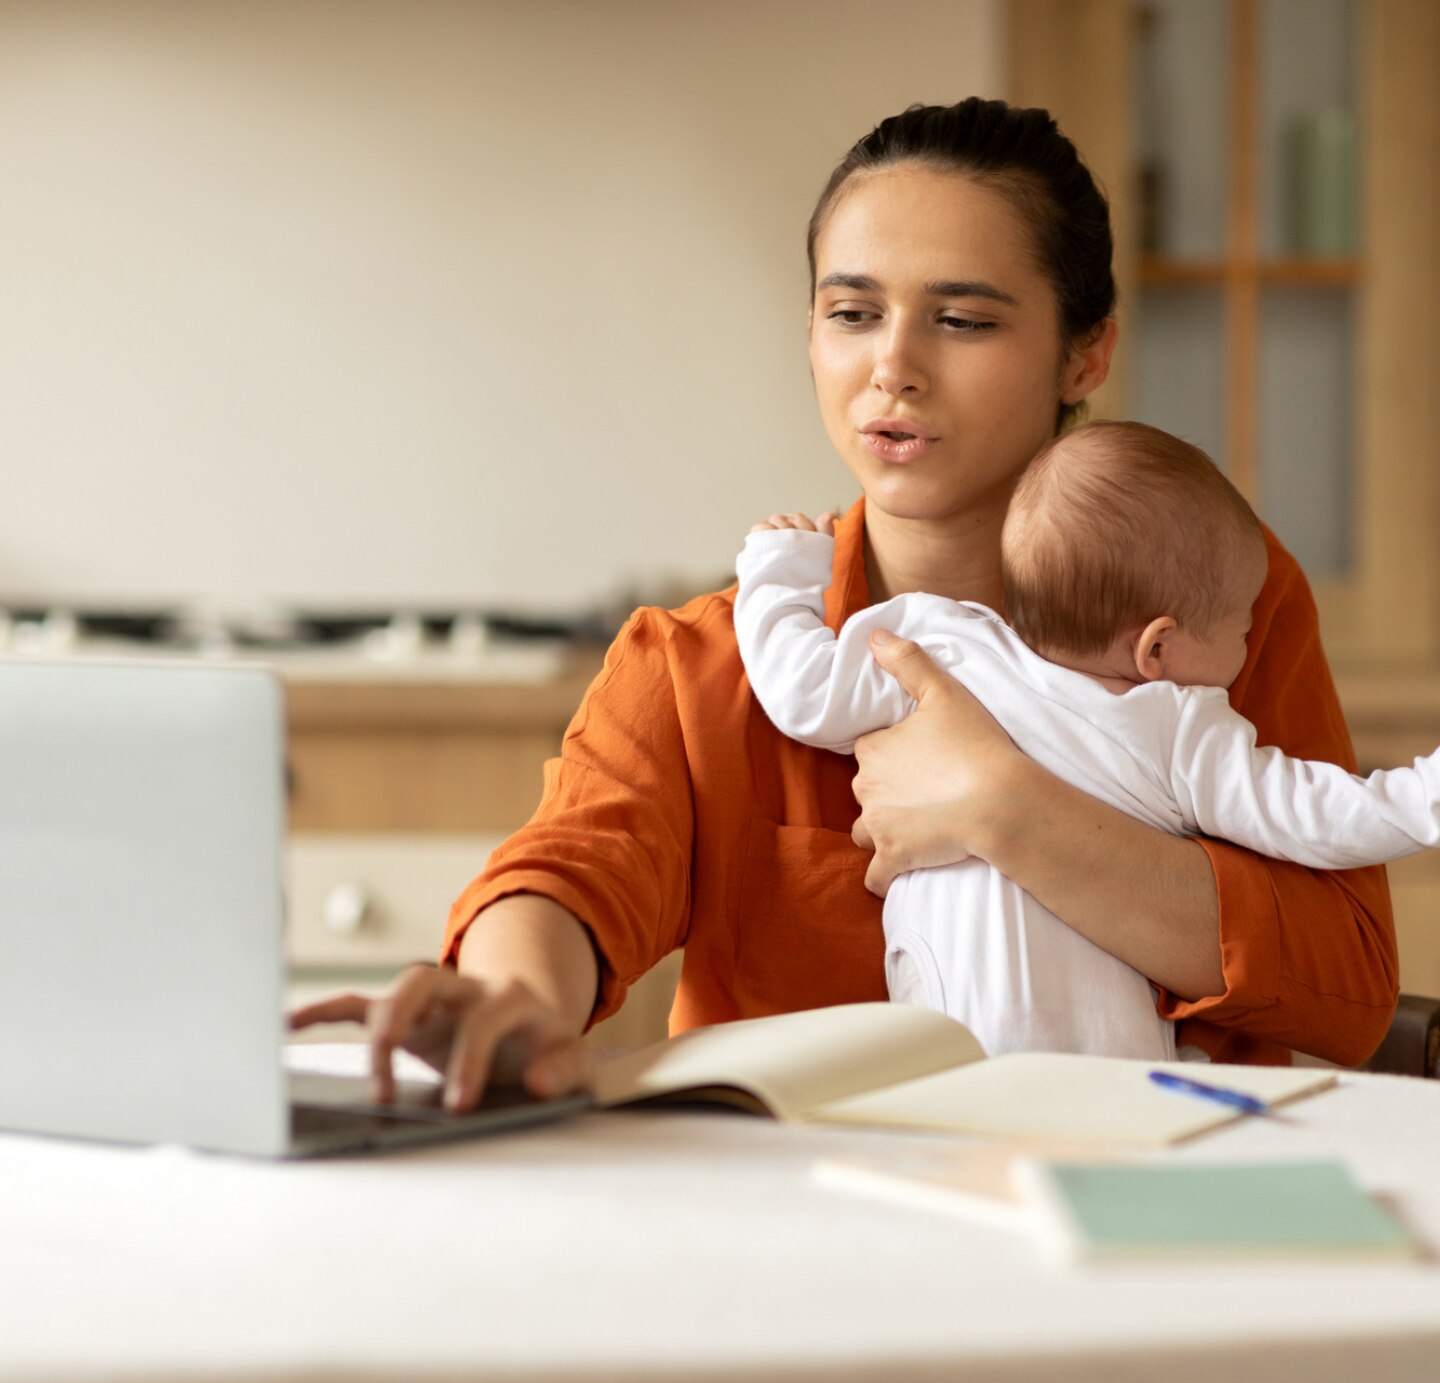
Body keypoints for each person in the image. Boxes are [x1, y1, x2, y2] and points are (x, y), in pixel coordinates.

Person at [291, 98, 1398, 1111]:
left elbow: (1345, 987)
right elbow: (569, 875)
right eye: (854, 312)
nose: (894, 368)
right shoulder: (704, 662)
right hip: (814, 1230)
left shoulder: (1218, 604)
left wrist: (1008, 811)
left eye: (963, 321)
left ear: (1086, 350)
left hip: (1166, 1203)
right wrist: (515, 996)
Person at [735, 419, 1432, 1060]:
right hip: (1109, 1052)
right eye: (1242, 628)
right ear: (1157, 649)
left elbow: (801, 690)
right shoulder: (1179, 731)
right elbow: (1322, 816)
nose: (1250, 645)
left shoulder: (945, 648)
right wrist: (1425, 795)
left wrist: (781, 571)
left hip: (947, 1017)